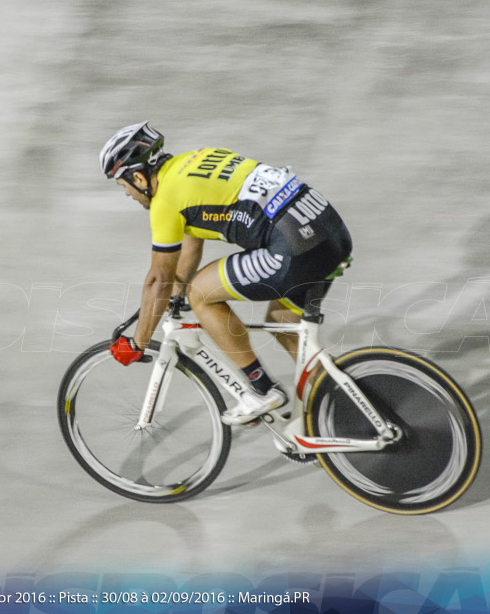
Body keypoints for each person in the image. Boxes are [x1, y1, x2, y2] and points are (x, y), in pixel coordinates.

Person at [100, 121, 352, 425]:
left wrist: (137, 343)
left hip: (293, 247)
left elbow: (158, 279)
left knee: (201, 295)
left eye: (123, 185)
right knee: (283, 324)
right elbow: (191, 241)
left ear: (138, 176)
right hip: (330, 231)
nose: (126, 193)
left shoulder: (164, 202)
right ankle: (348, 407)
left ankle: (262, 390)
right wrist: (175, 296)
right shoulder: (195, 161)